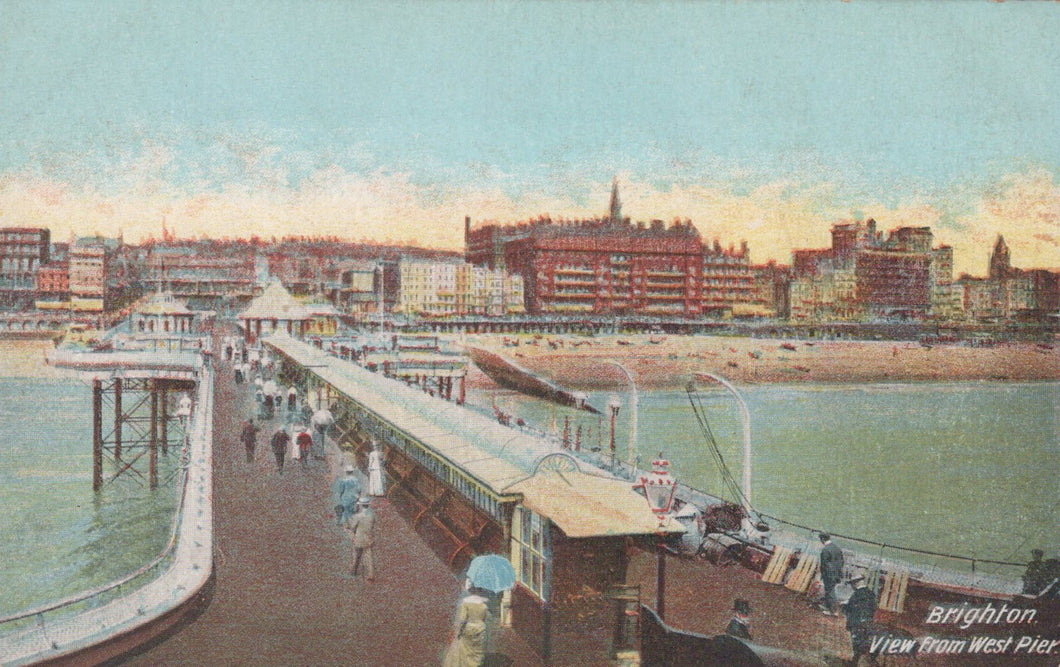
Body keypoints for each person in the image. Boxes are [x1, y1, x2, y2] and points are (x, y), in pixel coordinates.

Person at [442, 587, 491, 667]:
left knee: (466, 651)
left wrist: (458, 631)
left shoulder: (466, 603)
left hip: (469, 628)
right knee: (477, 651)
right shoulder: (484, 604)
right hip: (481, 628)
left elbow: (462, 619)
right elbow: (485, 618)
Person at [844, 575, 877, 666]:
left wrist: (844, 606)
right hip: (867, 621)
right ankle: (858, 661)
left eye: (852, 584)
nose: (851, 586)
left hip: (857, 623)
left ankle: (856, 663)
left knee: (857, 644)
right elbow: (874, 607)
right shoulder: (871, 593)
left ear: (855, 583)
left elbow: (851, 608)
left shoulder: (857, 594)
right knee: (863, 641)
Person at [345, 496, 376, 581]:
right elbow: (372, 526)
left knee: (356, 555)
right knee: (369, 557)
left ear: (361, 505)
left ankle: (354, 570)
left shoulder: (358, 516)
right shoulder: (372, 515)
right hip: (368, 538)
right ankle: (371, 575)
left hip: (359, 539)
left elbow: (352, 526)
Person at [818, 533, 844, 615]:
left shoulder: (825, 550)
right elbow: (842, 562)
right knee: (831, 590)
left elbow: (823, 564)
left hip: (828, 574)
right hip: (837, 573)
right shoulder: (837, 548)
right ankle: (828, 606)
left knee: (830, 591)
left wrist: (823, 573)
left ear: (822, 539)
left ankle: (833, 610)